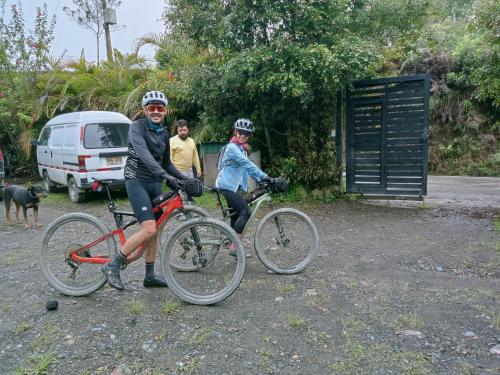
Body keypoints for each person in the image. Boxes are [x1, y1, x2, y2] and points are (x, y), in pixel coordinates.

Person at [102, 90, 186, 290]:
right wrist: (165, 176)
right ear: (145, 110)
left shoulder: (164, 132)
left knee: (154, 232)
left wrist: (185, 179)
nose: (156, 111)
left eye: (160, 108)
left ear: (165, 111)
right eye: (152, 108)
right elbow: (144, 155)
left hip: (154, 183)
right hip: (136, 180)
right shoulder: (136, 128)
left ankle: (149, 276)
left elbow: (167, 163)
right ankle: (113, 265)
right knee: (148, 228)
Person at [215, 118, 274, 257]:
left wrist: (261, 180)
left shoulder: (240, 149)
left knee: (236, 215)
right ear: (235, 132)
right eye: (240, 132)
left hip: (233, 187)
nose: (243, 135)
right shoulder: (231, 148)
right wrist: (266, 177)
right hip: (226, 186)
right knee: (246, 212)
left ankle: (231, 242)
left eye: (246, 134)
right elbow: (247, 164)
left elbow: (247, 169)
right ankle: (234, 248)